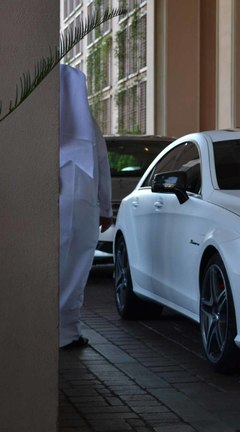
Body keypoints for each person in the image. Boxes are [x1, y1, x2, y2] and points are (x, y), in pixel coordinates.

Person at [59, 64, 113, 349]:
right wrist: (105, 208)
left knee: (71, 269)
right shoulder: (87, 125)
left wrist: (105, 208)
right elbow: (103, 167)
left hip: (76, 210)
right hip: (83, 211)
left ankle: (65, 331)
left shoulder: (56, 124)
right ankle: (65, 332)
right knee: (75, 270)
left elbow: (102, 165)